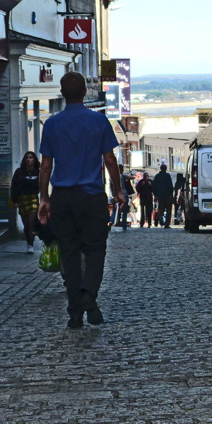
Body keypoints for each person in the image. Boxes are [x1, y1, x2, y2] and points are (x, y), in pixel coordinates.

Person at [38, 71, 124, 328]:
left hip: (63, 198)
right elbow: (110, 160)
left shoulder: (52, 125)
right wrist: (118, 191)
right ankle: (88, 294)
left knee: (70, 253)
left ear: (62, 93)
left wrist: (44, 198)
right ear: (85, 93)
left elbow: (45, 166)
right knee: (96, 249)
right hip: (92, 197)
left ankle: (75, 312)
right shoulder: (99, 122)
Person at [9, 151, 41, 253]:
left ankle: (31, 245)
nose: (29, 159)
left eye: (31, 157)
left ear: (34, 159)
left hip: (33, 198)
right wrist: (15, 200)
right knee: (26, 224)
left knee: (31, 222)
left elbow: (42, 184)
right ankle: (28, 242)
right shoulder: (19, 172)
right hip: (22, 198)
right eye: (27, 158)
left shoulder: (38, 171)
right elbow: (13, 186)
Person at [153, 163, 175, 229]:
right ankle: (167, 224)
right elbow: (170, 185)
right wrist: (171, 193)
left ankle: (157, 217)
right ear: (165, 169)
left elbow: (154, 186)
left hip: (160, 195)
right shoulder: (167, 175)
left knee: (161, 208)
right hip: (168, 195)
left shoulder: (157, 176)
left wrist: (155, 195)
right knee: (168, 210)